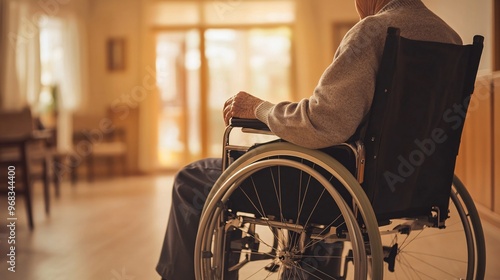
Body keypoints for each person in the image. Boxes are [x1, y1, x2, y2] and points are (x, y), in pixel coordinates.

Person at [156, 0, 462, 279]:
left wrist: (260, 109)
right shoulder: (450, 38)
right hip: (408, 185)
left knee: (192, 178)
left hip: (341, 188)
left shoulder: (373, 30)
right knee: (325, 173)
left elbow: (323, 122)